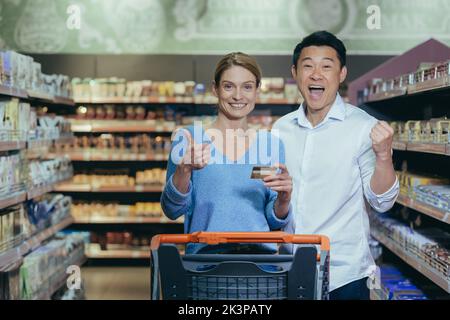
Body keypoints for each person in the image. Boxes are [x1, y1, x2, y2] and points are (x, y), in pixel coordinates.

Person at [272, 31, 399, 300]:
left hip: (345, 275)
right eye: (308, 65)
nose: (316, 74)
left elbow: (382, 202)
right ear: (295, 72)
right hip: (290, 267)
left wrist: (384, 156)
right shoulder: (280, 129)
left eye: (326, 66)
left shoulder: (362, 127)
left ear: (341, 74)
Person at [161, 52, 293, 254]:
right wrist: (183, 170)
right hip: (205, 266)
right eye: (228, 86)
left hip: (260, 267)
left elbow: (272, 218)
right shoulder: (189, 138)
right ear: (215, 89)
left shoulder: (270, 144)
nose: (238, 96)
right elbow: (172, 210)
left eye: (247, 87)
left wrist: (283, 200)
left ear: (257, 90)